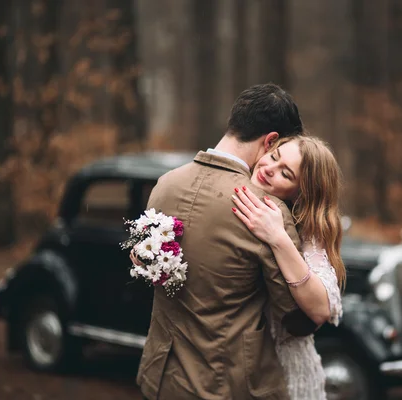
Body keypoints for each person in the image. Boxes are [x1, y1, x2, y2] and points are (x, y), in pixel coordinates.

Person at [131, 83, 317, 400]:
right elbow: (295, 318)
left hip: (161, 378)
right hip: (227, 385)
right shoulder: (265, 211)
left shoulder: (164, 185)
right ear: (271, 140)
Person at [231, 136, 346, 399]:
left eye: (285, 173)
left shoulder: (306, 233)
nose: (269, 169)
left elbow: (320, 310)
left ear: (300, 194)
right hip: (237, 369)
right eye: (273, 156)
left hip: (288, 373)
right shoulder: (233, 186)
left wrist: (278, 237)